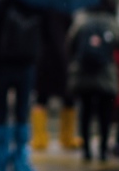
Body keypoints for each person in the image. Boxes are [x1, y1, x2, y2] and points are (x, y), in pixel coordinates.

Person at [66, 0, 119, 162]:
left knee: (85, 113)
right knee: (105, 115)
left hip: (83, 76)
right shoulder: (112, 24)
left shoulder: (81, 22)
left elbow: (70, 45)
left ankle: (86, 151)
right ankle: (103, 150)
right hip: (106, 77)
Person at [0, 0, 42, 171]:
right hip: (26, 66)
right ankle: (21, 161)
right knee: (22, 113)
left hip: (1, 66)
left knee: (0, 110)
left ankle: (0, 161)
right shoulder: (35, 3)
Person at [31, 10, 83, 151]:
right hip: (62, 59)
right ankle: (67, 138)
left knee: (41, 98)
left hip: (43, 60)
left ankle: (40, 139)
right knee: (68, 99)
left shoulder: (39, 10)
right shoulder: (64, 10)